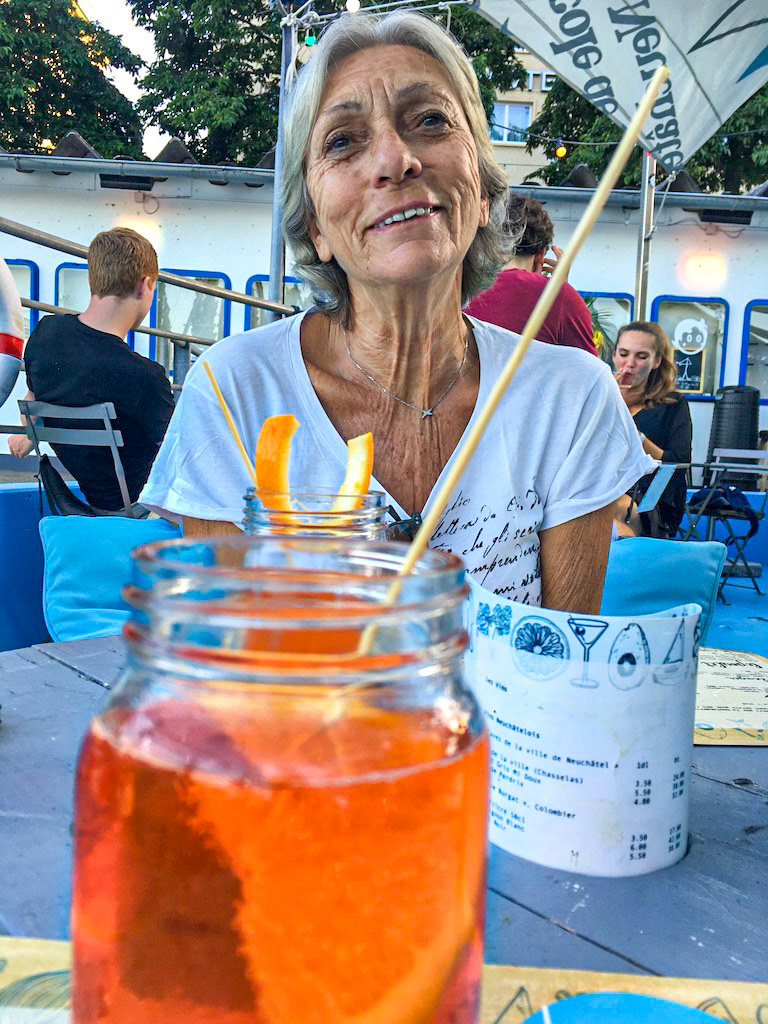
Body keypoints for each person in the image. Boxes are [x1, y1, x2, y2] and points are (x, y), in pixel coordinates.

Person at [141, 11, 654, 612]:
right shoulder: (236, 393)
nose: (395, 159)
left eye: (430, 120)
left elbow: (558, 659)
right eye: (342, 141)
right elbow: (234, 651)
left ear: (482, 194)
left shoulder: (571, 398)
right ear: (315, 227)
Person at [9, 228, 174, 516]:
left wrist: (33, 434)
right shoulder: (145, 377)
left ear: (92, 278)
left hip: (87, 504)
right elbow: (179, 455)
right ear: (145, 285)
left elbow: (32, 406)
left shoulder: (46, 334)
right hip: (142, 511)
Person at [464, 195, 596, 354]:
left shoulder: (466, 291)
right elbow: (588, 365)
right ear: (542, 255)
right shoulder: (559, 296)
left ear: (494, 245)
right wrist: (560, 290)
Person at [612, 321, 692, 538]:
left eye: (641, 356)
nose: (629, 364)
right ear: (614, 355)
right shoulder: (603, 397)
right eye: (624, 354)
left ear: (656, 361)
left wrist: (637, 437)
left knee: (606, 512)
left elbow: (679, 462)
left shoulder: (672, 403)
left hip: (652, 494)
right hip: (604, 487)